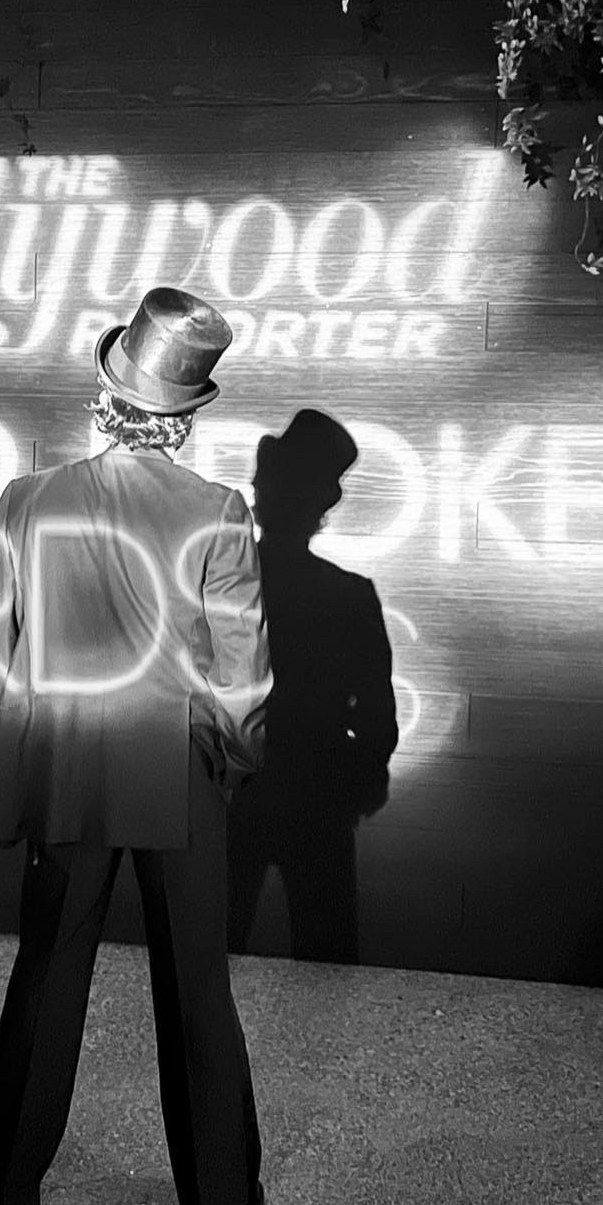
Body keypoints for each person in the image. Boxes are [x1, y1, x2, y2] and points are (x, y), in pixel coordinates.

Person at [0, 287, 273, 1205]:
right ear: (183, 418)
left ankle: (3, 1186)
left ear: (106, 394)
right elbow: (242, 679)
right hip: (176, 778)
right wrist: (224, 768)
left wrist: (34, 735)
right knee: (195, 988)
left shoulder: (26, 499)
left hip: (63, 768)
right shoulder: (218, 511)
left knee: (47, 972)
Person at [227, 410, 399, 963]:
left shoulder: (218, 586)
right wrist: (357, 777)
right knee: (327, 963)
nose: (253, 487)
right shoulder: (348, 595)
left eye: (262, 479)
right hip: (317, 793)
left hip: (233, 791)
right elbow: (375, 710)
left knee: (207, 957)